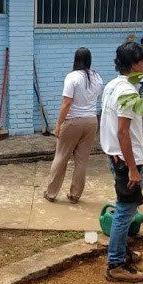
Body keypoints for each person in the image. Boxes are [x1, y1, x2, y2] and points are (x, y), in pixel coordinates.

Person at [100, 41, 143, 283]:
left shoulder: (113, 85)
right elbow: (122, 131)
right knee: (124, 211)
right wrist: (132, 168)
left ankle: (122, 253)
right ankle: (115, 264)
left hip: (117, 155)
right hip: (126, 160)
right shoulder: (128, 91)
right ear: (133, 64)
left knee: (127, 209)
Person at [44, 48, 103, 203]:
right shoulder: (97, 77)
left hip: (73, 122)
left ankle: (51, 193)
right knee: (82, 160)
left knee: (61, 156)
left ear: (75, 59)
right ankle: (75, 195)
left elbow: (66, 103)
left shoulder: (72, 77)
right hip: (91, 121)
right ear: (89, 60)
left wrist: (58, 125)